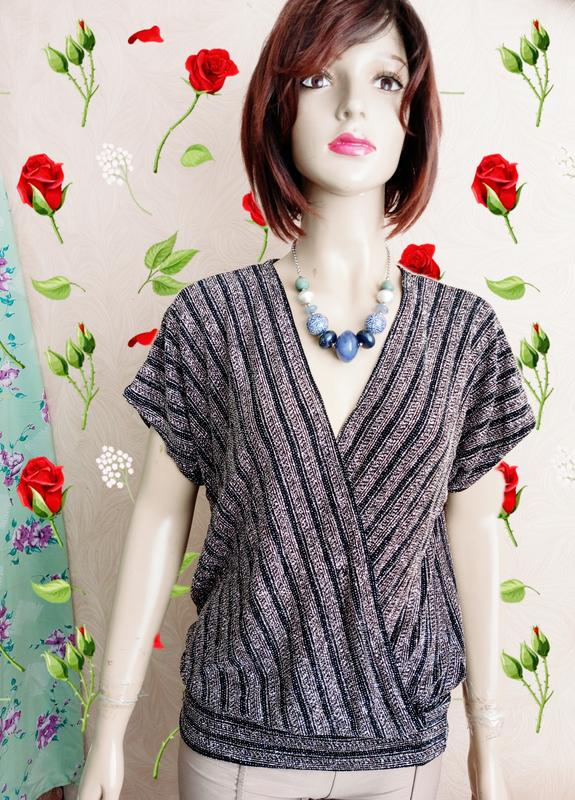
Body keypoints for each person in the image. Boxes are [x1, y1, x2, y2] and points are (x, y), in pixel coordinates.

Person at [78, 1, 536, 798]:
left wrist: (487, 743)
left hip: (402, 744)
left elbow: (473, 535)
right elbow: (157, 518)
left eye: (384, 80)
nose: (354, 106)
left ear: (413, 118)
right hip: (238, 745)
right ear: (278, 105)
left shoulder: (464, 336)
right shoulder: (213, 321)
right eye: (320, 78)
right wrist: (108, 732)